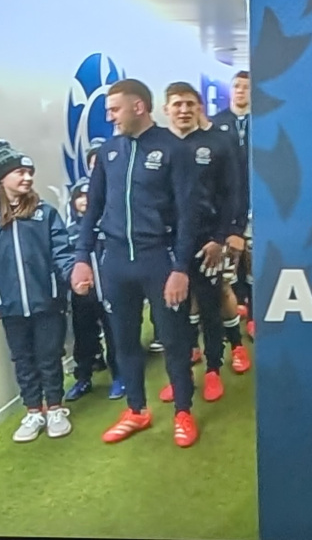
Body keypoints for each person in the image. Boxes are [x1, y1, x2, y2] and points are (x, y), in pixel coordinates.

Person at [71, 78, 201, 448]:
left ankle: (183, 412)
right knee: (124, 340)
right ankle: (136, 410)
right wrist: (82, 258)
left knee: (174, 340)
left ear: (138, 107)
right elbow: (93, 209)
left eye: (115, 109)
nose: (110, 116)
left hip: (159, 259)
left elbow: (188, 215)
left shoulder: (174, 149)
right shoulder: (109, 151)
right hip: (116, 262)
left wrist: (181, 269)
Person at [0, 141, 76, 442]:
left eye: (30, 173)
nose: (28, 178)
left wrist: (71, 278)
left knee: (49, 356)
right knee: (23, 359)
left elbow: (62, 251)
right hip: (10, 303)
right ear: (2, 177)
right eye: (20, 172)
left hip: (47, 300)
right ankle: (33, 411)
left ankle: (55, 409)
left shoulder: (44, 212)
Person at [159, 82, 250, 406]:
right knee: (174, 314)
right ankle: (181, 375)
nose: (184, 110)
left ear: (199, 108)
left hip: (207, 243)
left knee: (211, 305)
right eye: (177, 104)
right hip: (165, 245)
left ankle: (213, 369)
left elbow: (232, 194)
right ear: (165, 109)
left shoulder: (217, 144)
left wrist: (222, 236)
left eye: (190, 104)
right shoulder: (156, 146)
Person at [63, 178, 124, 401]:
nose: (84, 201)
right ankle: (83, 378)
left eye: (89, 196)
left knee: (115, 335)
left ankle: (120, 377)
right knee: (84, 338)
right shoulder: (69, 231)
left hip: (109, 291)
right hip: (82, 297)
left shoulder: (109, 225)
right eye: (79, 196)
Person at [211, 70, 254, 337]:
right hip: (226, 202)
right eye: (236, 86)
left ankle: (254, 311)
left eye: (246, 87)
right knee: (230, 260)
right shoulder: (216, 123)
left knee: (254, 258)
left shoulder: (264, 121)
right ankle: (235, 307)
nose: (240, 90)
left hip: (258, 201)